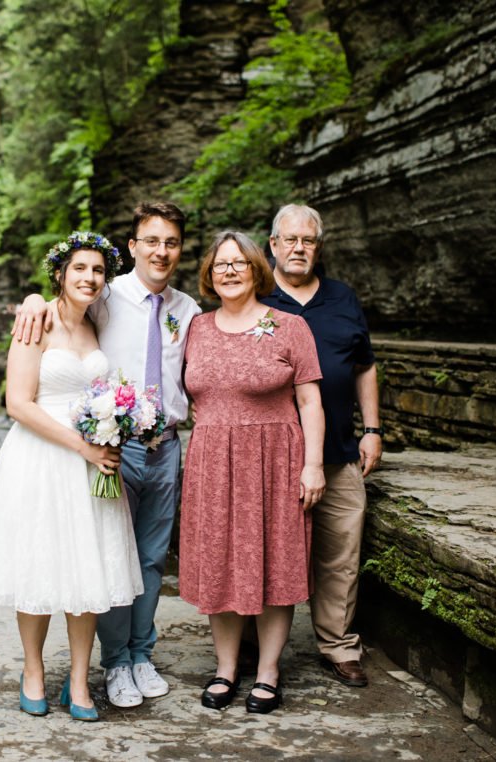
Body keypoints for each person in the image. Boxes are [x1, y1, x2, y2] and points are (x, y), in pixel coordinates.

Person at [13, 202, 201, 708]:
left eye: (172, 242)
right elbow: (59, 311)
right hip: (112, 447)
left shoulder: (189, 311)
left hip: (166, 447)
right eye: (151, 241)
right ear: (133, 247)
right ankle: (116, 661)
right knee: (109, 556)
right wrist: (33, 297)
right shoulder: (106, 295)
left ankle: (142, 654)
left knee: (150, 558)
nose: (161, 251)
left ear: (180, 250)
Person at [0, 231, 144, 722]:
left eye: (99, 271)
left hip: (93, 464)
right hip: (41, 458)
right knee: (39, 566)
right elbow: (17, 403)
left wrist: (114, 429)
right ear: (60, 274)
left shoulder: (98, 325)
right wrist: (84, 445)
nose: (90, 278)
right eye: (80, 269)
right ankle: (33, 672)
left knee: (88, 570)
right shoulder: (36, 320)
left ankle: (81, 682)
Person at [180, 230, 325, 714]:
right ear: (209, 274)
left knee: (277, 562)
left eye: (240, 263)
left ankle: (268, 671)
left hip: (274, 460)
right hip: (212, 463)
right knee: (219, 560)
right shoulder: (197, 328)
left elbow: (309, 399)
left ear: (257, 269)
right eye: (221, 264)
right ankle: (225, 668)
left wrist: (313, 466)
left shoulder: (289, 326)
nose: (230, 271)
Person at [261, 203, 383, 688]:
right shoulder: (254, 298)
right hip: (270, 457)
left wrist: (372, 429)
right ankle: (254, 646)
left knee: (340, 553)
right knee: (266, 550)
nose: (298, 248)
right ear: (272, 245)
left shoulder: (342, 298)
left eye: (307, 241)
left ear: (318, 247)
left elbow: (365, 364)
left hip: (337, 452)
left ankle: (338, 645)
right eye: (289, 239)